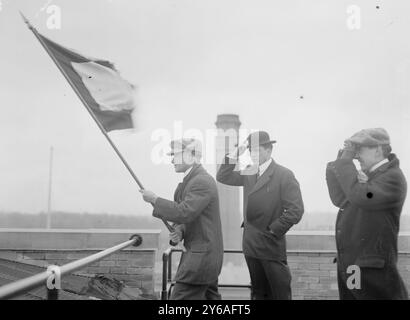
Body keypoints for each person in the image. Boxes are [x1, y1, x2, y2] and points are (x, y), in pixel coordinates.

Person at [217, 131, 304, 300]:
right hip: (251, 245)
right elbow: (223, 176)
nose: (252, 154)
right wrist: (235, 154)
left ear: (269, 150)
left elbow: (296, 210)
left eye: (257, 150)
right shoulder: (250, 172)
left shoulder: (283, 174)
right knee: (258, 294)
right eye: (251, 150)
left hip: (271, 246)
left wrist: (272, 231)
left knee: (279, 294)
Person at [326, 128, 408, 300]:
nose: (356, 156)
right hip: (353, 268)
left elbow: (362, 197)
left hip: (373, 273)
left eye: (360, 150)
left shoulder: (392, 177)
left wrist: (346, 163)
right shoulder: (367, 179)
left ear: (378, 150)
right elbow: (339, 198)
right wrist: (342, 159)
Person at [140, 138, 223, 300]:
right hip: (205, 258)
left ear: (192, 156)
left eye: (176, 155)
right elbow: (192, 218)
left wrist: (155, 199)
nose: (172, 160)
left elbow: (184, 212)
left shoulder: (201, 181)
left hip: (200, 260)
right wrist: (180, 230)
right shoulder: (192, 181)